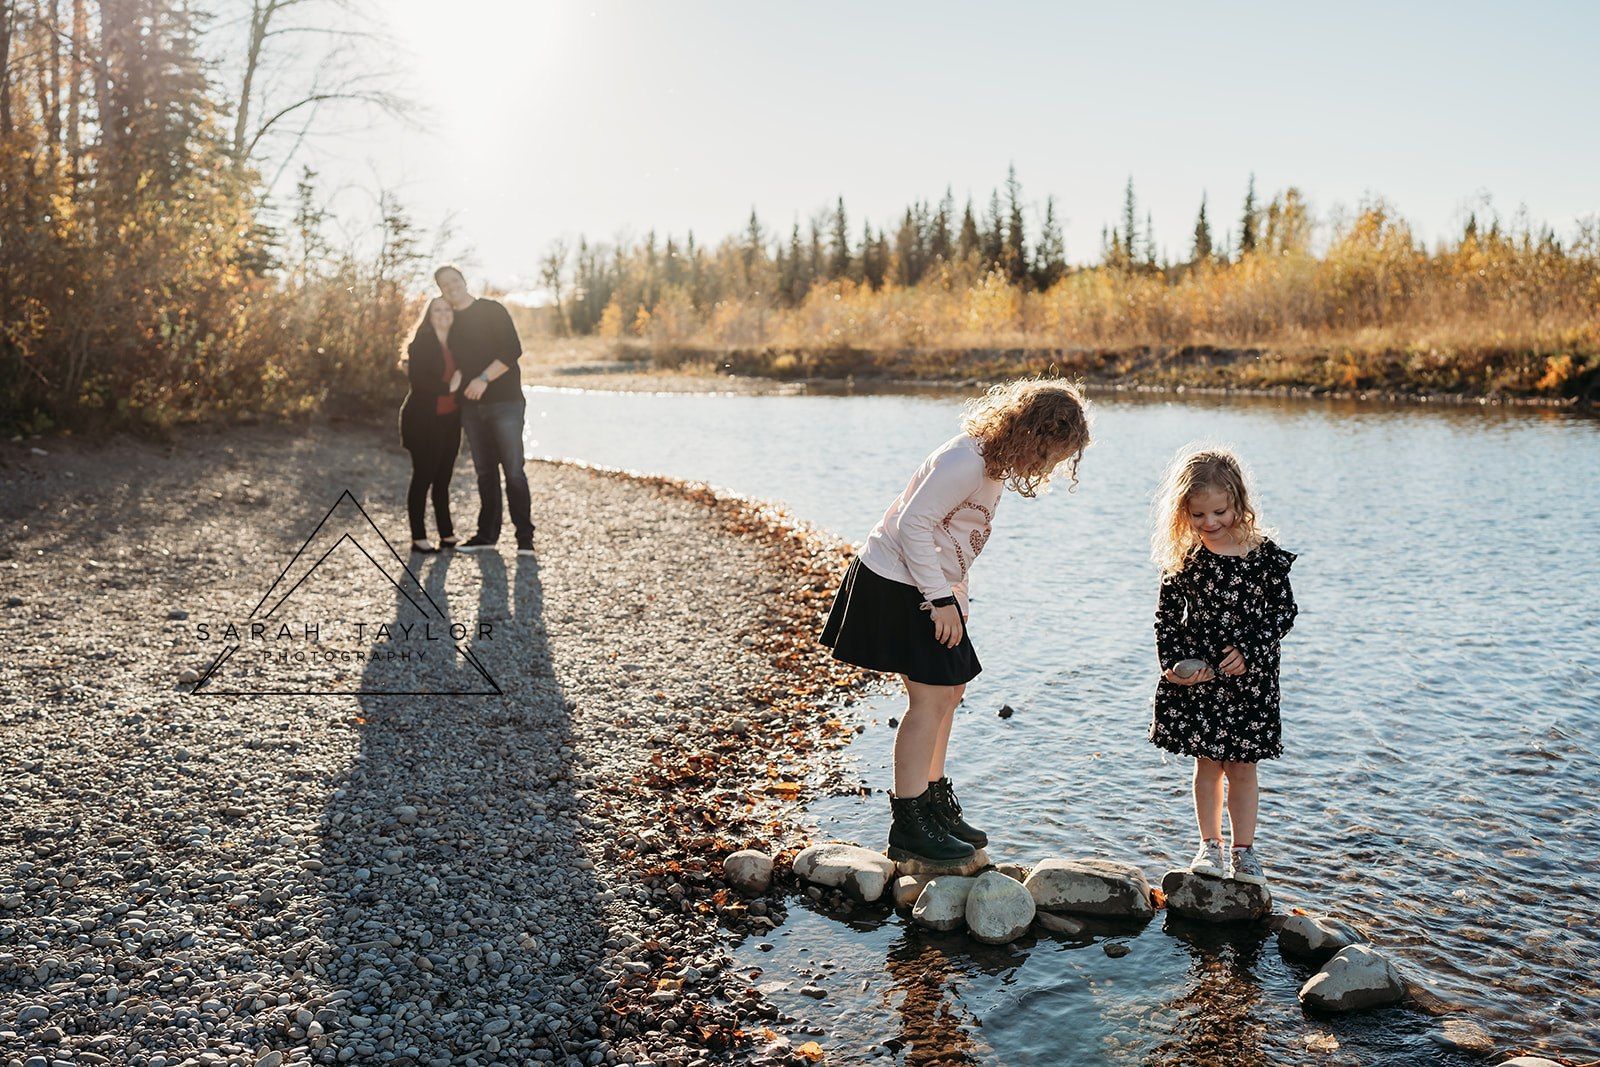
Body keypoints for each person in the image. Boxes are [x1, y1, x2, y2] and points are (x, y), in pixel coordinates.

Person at [820, 378, 1093, 867]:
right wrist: (939, 599)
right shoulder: (968, 459)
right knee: (928, 697)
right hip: (894, 581)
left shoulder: (993, 466)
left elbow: (956, 545)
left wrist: (957, 602)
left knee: (952, 688)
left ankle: (933, 803)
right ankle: (909, 826)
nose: (1049, 467)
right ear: (1034, 434)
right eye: (1052, 454)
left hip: (928, 587)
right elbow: (913, 525)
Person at [1147, 445, 1298, 887]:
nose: (1210, 523)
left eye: (1220, 512)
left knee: (1243, 767)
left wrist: (1249, 649)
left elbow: (1283, 613)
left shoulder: (1264, 556)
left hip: (1249, 679)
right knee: (1208, 764)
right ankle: (1208, 847)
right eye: (1198, 516)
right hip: (1201, 682)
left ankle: (1245, 852)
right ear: (1183, 513)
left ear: (1239, 503)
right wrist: (1172, 663)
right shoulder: (1187, 558)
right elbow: (1166, 618)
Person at [434, 264, 535, 555]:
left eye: (454, 280)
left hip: (506, 403)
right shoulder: (449, 321)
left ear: (463, 280)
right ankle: (486, 537)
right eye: (444, 284)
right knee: (485, 472)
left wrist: (482, 379)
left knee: (514, 471)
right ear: (441, 290)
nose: (451, 287)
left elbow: (512, 350)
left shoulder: (492, 310)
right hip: (470, 407)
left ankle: (525, 540)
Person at [398, 297, 463, 553]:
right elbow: (419, 382)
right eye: (437, 310)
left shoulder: (458, 343)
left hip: (450, 420)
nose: (443, 314)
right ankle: (418, 538)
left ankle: (446, 534)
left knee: (444, 479)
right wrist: (450, 387)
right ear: (429, 314)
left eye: (448, 309)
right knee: (423, 477)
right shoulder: (421, 343)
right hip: (423, 421)